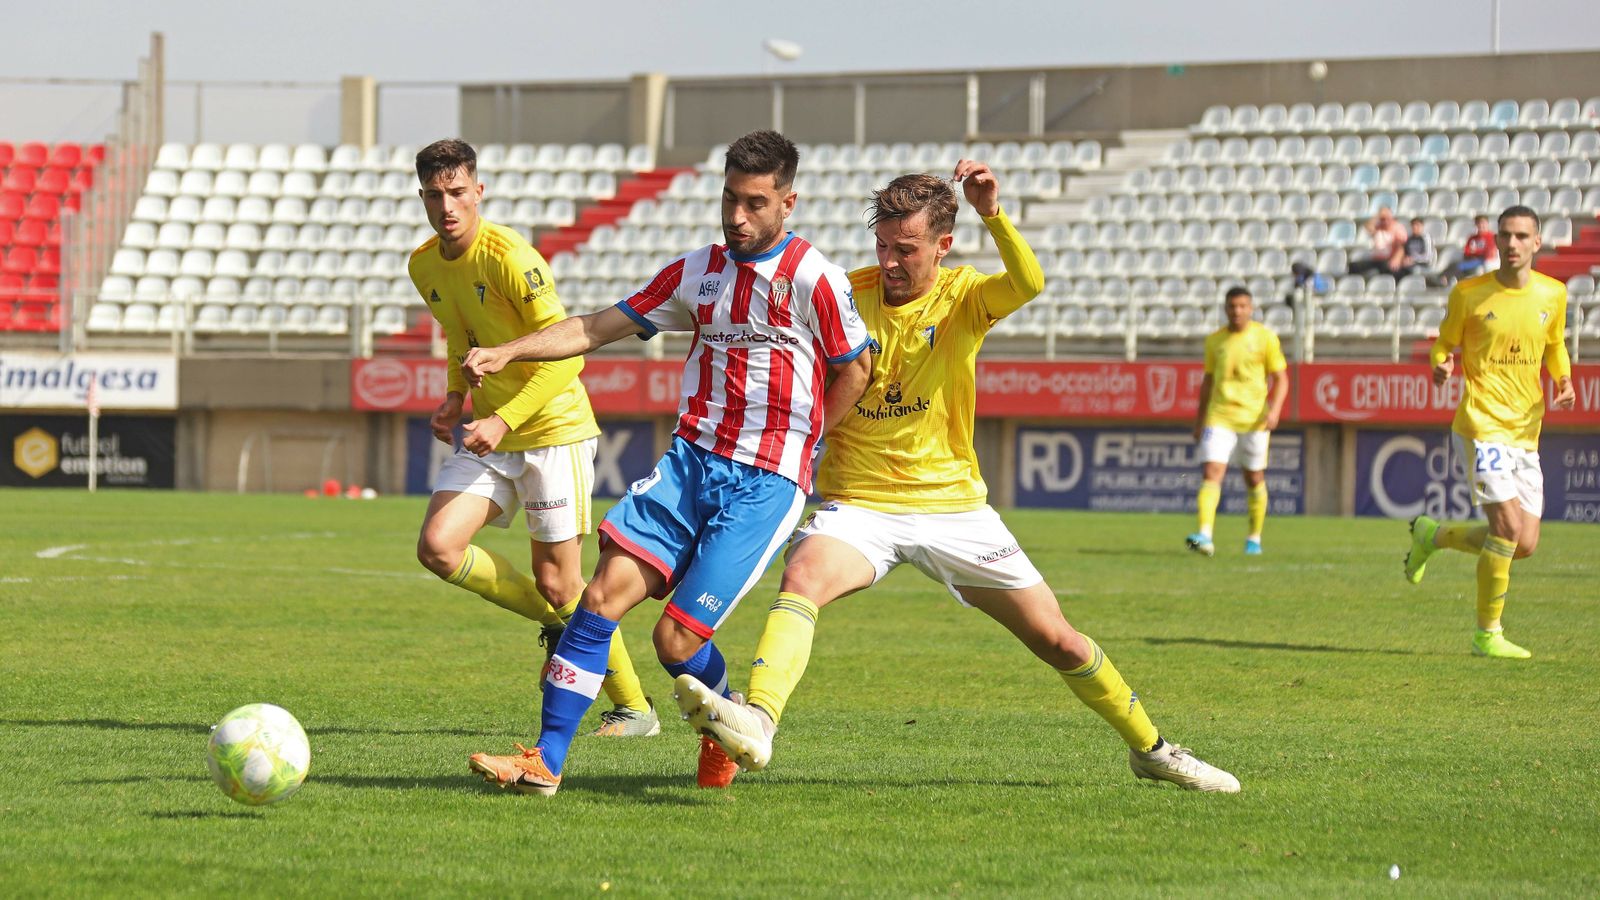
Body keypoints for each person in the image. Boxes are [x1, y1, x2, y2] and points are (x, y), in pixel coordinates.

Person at [672, 165, 1241, 793]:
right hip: (861, 502)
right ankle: (758, 719)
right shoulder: (845, 292)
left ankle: (1153, 750)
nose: (889, 262)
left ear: (943, 245)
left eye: (906, 249)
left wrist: (992, 213)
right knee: (803, 577)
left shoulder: (965, 296)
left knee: (1059, 641)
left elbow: (1028, 282)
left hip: (953, 508)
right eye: (882, 246)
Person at [460, 130, 874, 794]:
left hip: (764, 483)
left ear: (787, 203)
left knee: (675, 642)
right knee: (599, 597)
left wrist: (810, 444)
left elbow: (856, 368)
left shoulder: (812, 278)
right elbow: (597, 326)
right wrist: (511, 351)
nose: (738, 217)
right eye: (730, 199)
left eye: (755, 203)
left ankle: (726, 725)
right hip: (689, 464)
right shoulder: (696, 272)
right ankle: (545, 761)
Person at [407, 139, 658, 738]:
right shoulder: (423, 265)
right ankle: (556, 622)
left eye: (458, 193)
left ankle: (635, 709)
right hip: (493, 432)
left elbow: (570, 355)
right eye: (436, 195)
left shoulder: (512, 258)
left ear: (479, 192)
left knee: (561, 581)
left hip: (551, 431)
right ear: (422, 197)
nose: (448, 206)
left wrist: (504, 419)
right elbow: (460, 333)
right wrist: (455, 397)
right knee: (438, 547)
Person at [1403, 206, 1575, 659]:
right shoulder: (1469, 293)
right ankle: (1487, 634)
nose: (1512, 243)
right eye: (1505, 235)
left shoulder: (1553, 294)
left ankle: (1433, 537)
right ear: (1496, 241)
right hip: (1481, 424)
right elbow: (1444, 344)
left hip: (1526, 429)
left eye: (1521, 236)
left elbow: (1555, 345)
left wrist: (1563, 378)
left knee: (1524, 543)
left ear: (1537, 242)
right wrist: (1440, 364)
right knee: (1507, 526)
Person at [1185, 287, 1289, 557]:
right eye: (1232, 306)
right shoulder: (1215, 341)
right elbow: (1208, 382)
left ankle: (1254, 538)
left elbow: (1281, 378)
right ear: (1225, 308)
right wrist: (1199, 420)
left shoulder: (1265, 338)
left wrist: (1275, 411)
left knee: (1254, 478)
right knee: (1212, 471)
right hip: (1219, 417)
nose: (1237, 311)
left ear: (1250, 308)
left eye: (1242, 306)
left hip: (1254, 420)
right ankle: (1204, 535)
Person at [1348, 206, 1408, 277]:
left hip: (1389, 259)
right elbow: (1368, 227)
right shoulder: (1378, 227)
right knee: (1353, 266)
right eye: (1382, 219)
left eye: (1386, 218)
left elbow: (1402, 246)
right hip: (1376, 259)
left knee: (1388, 269)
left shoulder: (1397, 228)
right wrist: (1377, 215)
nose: (1385, 221)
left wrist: (1396, 259)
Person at [1458, 215, 1498, 279]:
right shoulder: (1472, 238)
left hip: (1483, 261)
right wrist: (1475, 253)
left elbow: (1488, 252)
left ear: (1487, 224)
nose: (1481, 225)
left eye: (1483, 223)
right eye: (1478, 223)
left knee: (1458, 267)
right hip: (1471, 260)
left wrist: (1474, 252)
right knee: (1454, 265)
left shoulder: (1492, 237)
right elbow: (1466, 251)